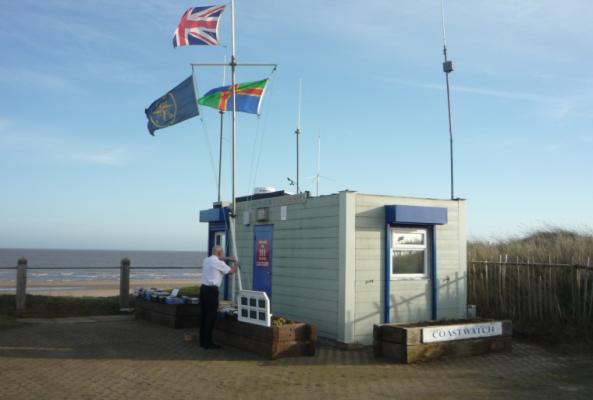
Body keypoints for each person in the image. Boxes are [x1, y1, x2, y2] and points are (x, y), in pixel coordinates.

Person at [199, 245, 239, 349]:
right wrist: (236, 263)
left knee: (204, 315)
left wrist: (228, 258)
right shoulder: (219, 263)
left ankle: (202, 341)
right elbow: (231, 272)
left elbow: (217, 258)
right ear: (220, 253)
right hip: (212, 292)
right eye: (222, 253)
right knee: (210, 317)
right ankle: (208, 343)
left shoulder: (206, 260)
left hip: (203, 290)